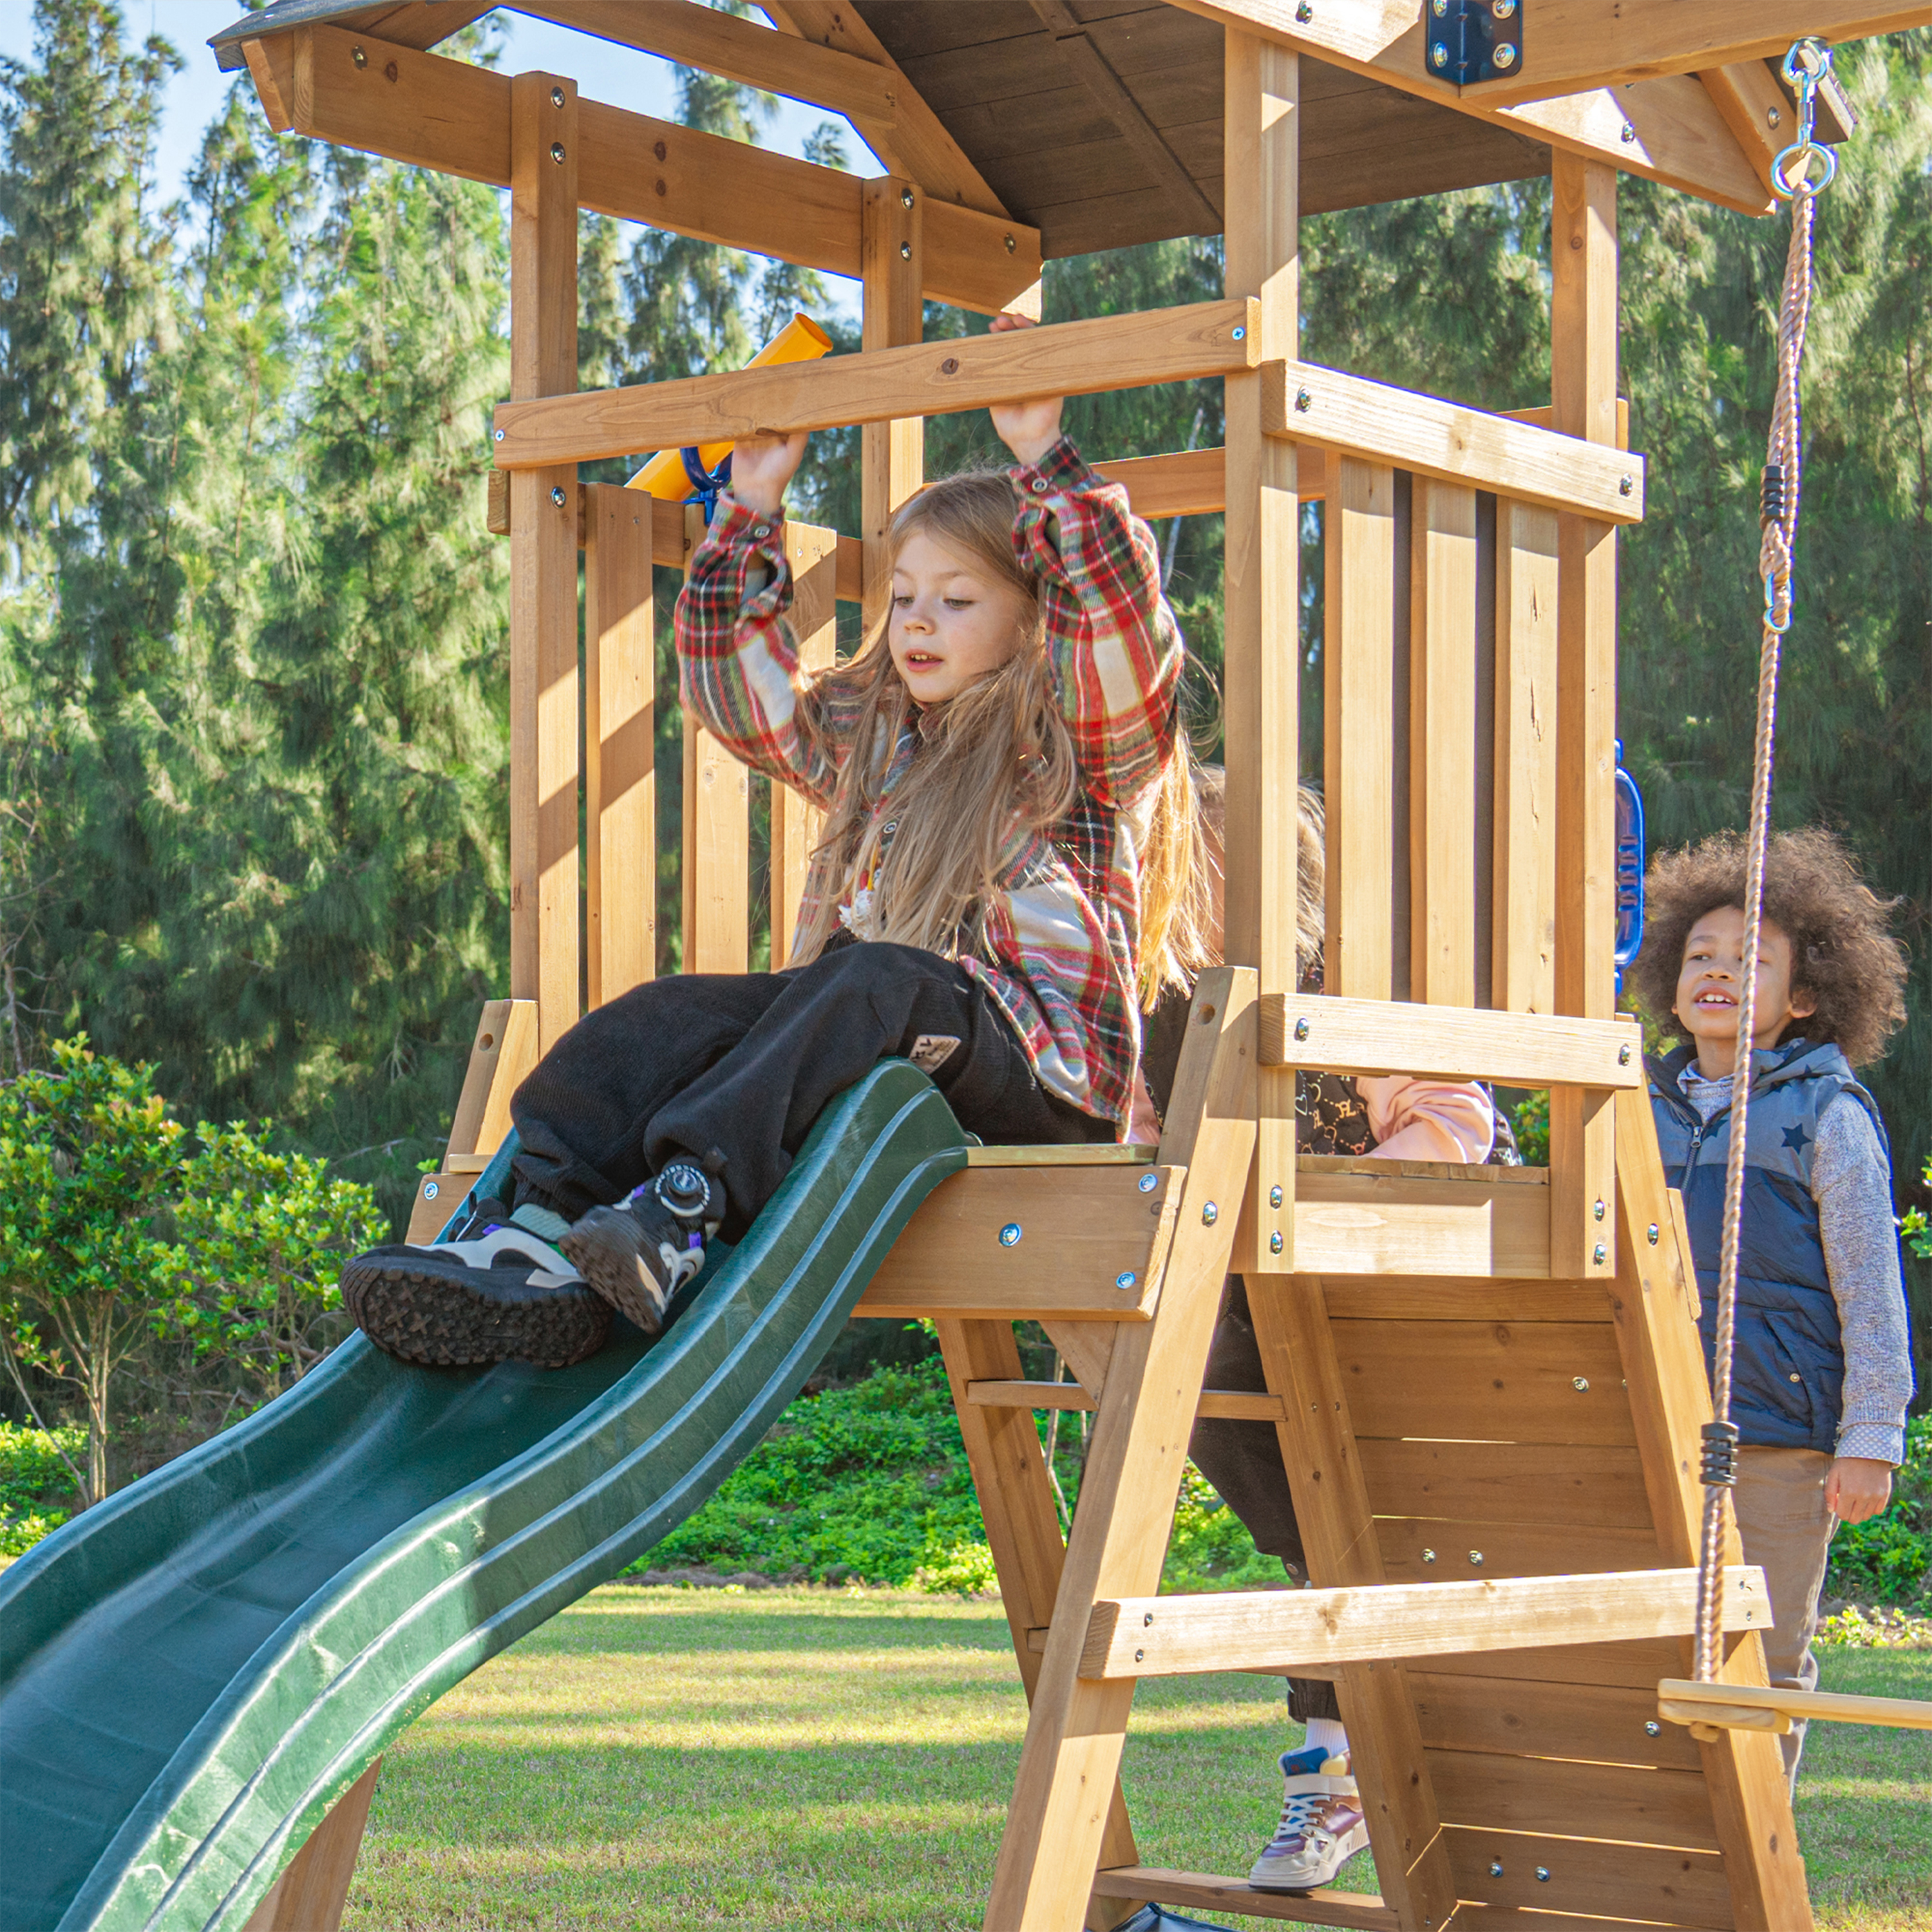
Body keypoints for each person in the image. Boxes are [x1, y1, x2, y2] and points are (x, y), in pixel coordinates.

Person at [341, 317, 1211, 1371]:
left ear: (1036, 619)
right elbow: (737, 696)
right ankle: (532, 1230)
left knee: (875, 979)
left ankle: (684, 1211)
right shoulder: (880, 741)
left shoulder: (1069, 744)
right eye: (902, 599)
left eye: (957, 599)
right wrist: (749, 508)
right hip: (885, 1039)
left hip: (1042, 1084)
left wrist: (1044, 461)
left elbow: (1121, 641)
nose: (915, 623)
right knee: (667, 1016)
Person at [1139, 779, 1496, 1893]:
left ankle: (1334, 1775)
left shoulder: (1348, 1008)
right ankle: (1328, 1772)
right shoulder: (1163, 1017)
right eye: (1167, 875)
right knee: (1209, 1399)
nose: (1180, 899)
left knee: (1359, 1532)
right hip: (1248, 1296)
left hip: (1382, 1298)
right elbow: (1144, 1141)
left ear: (1284, 894)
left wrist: (1333, 1211)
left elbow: (1460, 1122)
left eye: (1205, 879)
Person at [1631, 827, 1913, 1785]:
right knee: (1656, 1647)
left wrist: (1870, 1433)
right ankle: (1676, 1852)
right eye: (1699, 956)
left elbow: (1872, 1288)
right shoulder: (1638, 1108)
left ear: (1803, 998)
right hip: (1658, 1426)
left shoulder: (1825, 1115)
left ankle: (1762, 1849)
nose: (1716, 972)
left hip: (1783, 1433)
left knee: (1765, 1645)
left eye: (1748, 961)